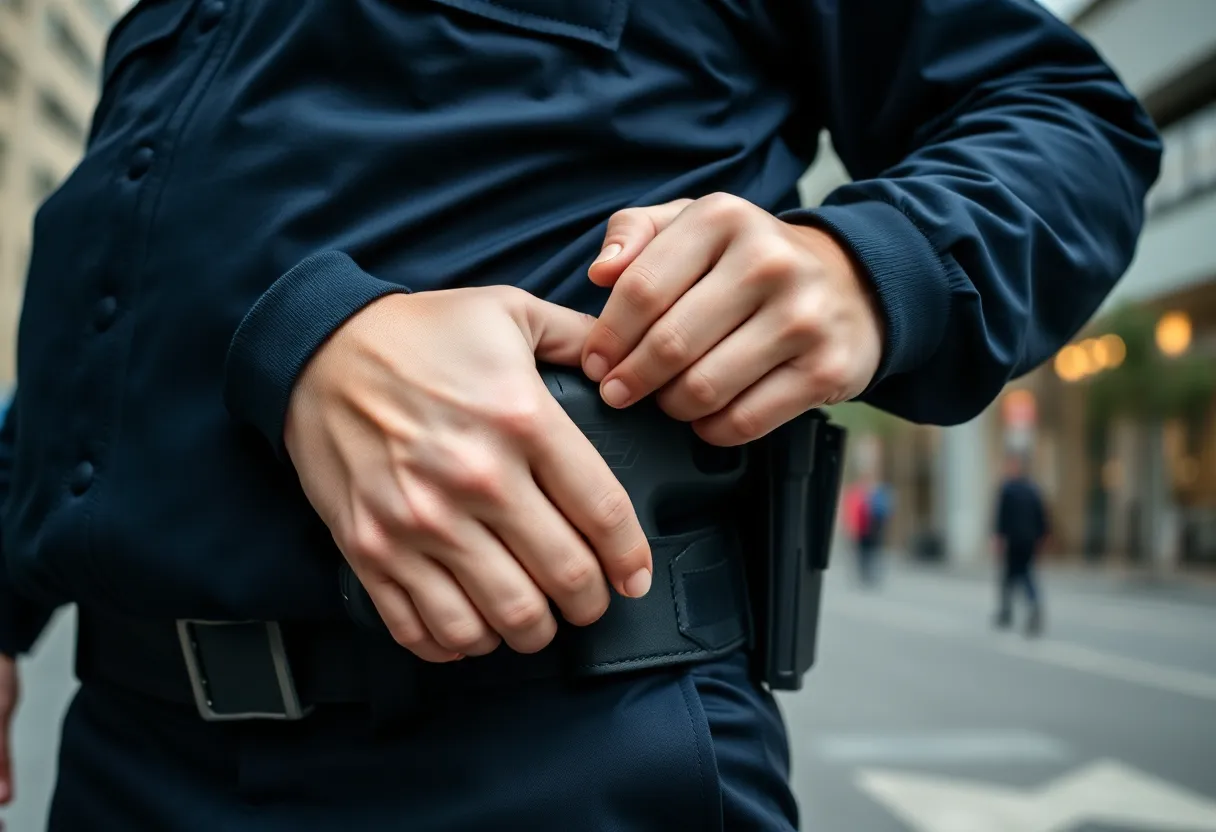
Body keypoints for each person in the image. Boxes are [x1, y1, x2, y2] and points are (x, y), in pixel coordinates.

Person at [0, 1, 1159, 828]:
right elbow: (106, 299)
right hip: (122, 757)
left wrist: (869, 264)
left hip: (543, 756)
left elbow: (1062, 112)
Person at [993, 453, 1051, 636]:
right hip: (1029, 540)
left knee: (1012, 576)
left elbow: (1001, 517)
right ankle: (1023, 608)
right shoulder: (1033, 489)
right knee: (1023, 575)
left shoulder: (1008, 489)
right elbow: (1042, 516)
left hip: (1015, 540)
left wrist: (999, 538)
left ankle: (1007, 612)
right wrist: (1042, 537)